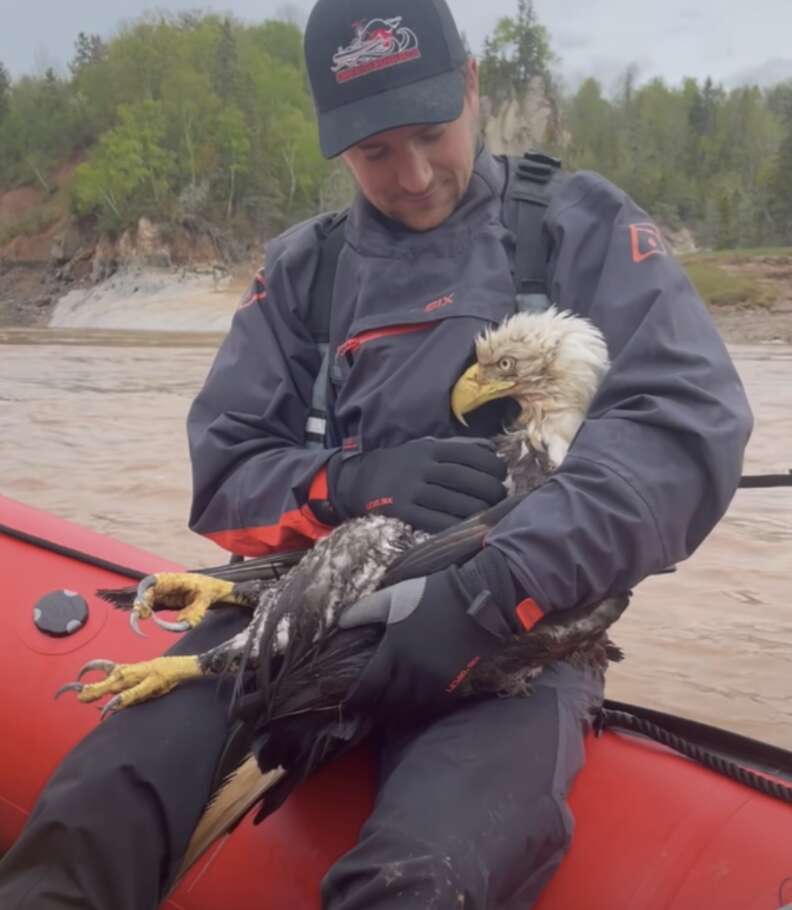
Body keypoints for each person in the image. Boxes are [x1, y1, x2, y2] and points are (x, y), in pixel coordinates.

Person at [0, 0, 752, 907]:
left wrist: (498, 586)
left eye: (432, 134)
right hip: (306, 600)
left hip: (514, 638)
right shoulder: (303, 271)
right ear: (336, 144)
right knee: (99, 801)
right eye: (375, 152)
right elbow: (226, 473)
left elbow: (685, 425)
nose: (416, 175)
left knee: (423, 876)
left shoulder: (579, 227)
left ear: (471, 83)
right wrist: (347, 481)